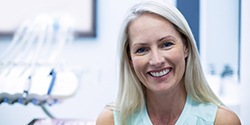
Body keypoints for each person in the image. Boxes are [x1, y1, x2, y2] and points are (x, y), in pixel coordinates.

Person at [96, 0, 241, 125]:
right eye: (142, 50)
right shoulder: (111, 120)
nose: (156, 60)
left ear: (186, 47)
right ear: (130, 59)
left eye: (166, 44)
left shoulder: (221, 121)